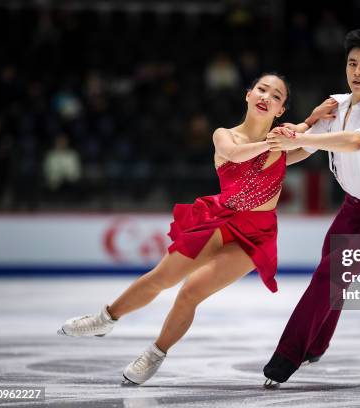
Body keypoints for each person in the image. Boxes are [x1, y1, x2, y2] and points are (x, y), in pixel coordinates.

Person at [57, 73, 333, 386]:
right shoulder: (226, 136)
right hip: (220, 221)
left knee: (190, 292)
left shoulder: (280, 144)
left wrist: (310, 124)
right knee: (162, 277)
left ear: (280, 110)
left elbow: (309, 148)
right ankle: (105, 318)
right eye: (261, 89)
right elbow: (234, 154)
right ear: (248, 94)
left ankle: (156, 352)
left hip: (256, 236)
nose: (266, 96)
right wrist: (283, 138)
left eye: (276, 96)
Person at [263, 28, 360, 386]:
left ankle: (286, 358)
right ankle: (316, 345)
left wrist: (303, 133)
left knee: (330, 274)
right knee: (333, 279)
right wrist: (280, 149)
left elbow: (354, 142)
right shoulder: (335, 104)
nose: (357, 71)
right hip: (350, 211)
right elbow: (304, 151)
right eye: (352, 63)